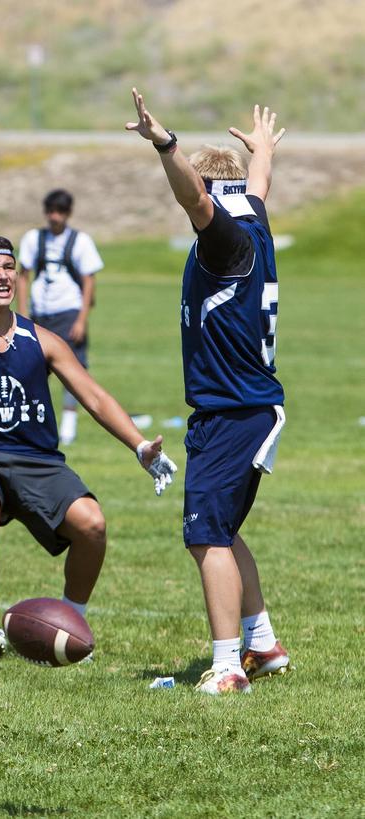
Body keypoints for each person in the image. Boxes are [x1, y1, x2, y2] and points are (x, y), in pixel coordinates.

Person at [0, 234, 176, 667]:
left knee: (92, 525)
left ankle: (71, 625)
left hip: (36, 458)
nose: (3, 276)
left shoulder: (41, 339)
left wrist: (140, 446)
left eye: (9, 267)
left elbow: (93, 396)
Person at [127, 89, 290, 695]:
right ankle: (262, 642)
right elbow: (257, 188)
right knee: (222, 529)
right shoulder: (252, 218)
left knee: (205, 536)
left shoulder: (223, 239)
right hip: (246, 404)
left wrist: (164, 144)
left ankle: (227, 667)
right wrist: (264, 152)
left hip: (233, 409)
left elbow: (194, 196)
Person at [17, 190, 104, 446]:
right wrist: (23, 313)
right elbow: (23, 275)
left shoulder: (80, 241)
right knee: (30, 369)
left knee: (73, 368)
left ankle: (69, 425)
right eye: (51, 211)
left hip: (68, 312)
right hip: (39, 314)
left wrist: (81, 318)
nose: (55, 217)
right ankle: (32, 421)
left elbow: (89, 281)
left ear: (68, 213)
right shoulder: (34, 238)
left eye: (60, 212)